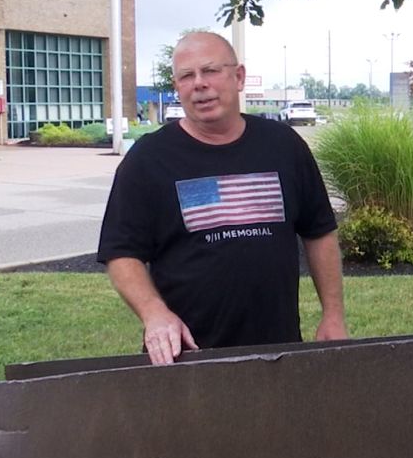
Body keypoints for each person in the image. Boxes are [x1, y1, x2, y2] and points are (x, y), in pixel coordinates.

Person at [98, 32, 347, 364]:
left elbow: (319, 233)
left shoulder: (283, 146)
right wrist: (154, 313)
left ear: (239, 77)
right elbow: (121, 254)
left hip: (279, 353)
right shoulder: (147, 159)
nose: (199, 84)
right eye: (187, 76)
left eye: (210, 70)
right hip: (185, 357)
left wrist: (333, 314)